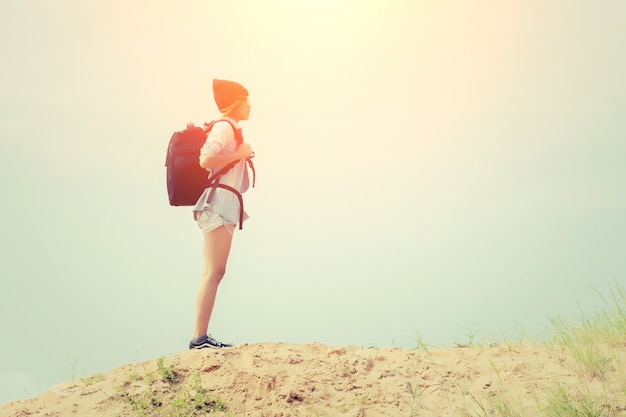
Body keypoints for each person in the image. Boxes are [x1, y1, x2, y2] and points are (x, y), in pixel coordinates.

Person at [188, 79, 254, 349]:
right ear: (235, 102)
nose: (250, 106)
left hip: (221, 204)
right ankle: (199, 338)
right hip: (218, 204)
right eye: (246, 100)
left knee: (214, 271)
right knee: (214, 272)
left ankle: (200, 337)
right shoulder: (225, 127)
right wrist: (238, 154)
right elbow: (205, 159)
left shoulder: (230, 128)